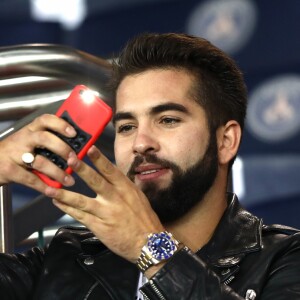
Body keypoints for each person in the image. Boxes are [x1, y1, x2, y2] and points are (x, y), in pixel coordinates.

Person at [0, 33, 299, 300]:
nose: (140, 143)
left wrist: (151, 250)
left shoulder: (284, 258)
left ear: (225, 142)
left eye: (168, 119)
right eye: (127, 126)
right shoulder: (69, 256)